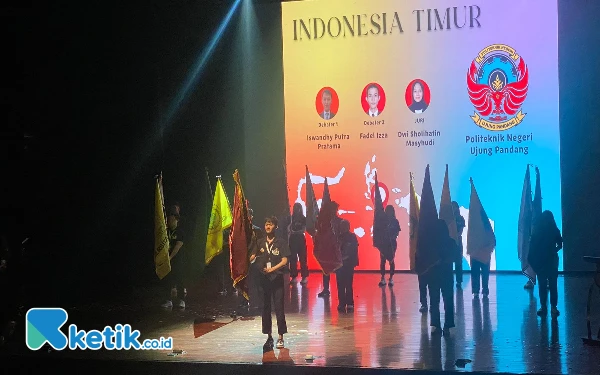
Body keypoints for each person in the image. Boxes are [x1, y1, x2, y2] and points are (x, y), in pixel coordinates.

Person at [250, 216, 290, 349]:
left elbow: (284, 260)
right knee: (265, 308)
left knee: (279, 307)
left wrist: (272, 269)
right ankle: (269, 336)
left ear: (276, 227)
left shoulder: (281, 242)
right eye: (266, 224)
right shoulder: (260, 242)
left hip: (277, 279)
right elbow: (253, 257)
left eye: (271, 224)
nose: (268, 226)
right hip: (264, 280)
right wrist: (251, 257)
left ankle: (281, 336)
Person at [528, 210, 562, 318]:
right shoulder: (554, 229)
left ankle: (543, 307)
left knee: (542, 285)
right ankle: (553, 307)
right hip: (552, 262)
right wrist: (553, 251)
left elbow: (532, 246)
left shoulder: (537, 230)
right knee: (553, 285)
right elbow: (560, 245)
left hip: (541, 262)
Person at [428, 219, 458, 336]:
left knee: (434, 301)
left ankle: (436, 324)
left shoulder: (430, 243)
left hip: (433, 276)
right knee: (448, 301)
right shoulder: (451, 242)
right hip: (447, 275)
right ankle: (448, 325)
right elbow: (456, 257)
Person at [161, 206, 186, 309]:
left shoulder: (180, 231)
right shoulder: (166, 231)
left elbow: (178, 246)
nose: (169, 221)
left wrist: (170, 257)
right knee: (167, 279)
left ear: (176, 219)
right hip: (167, 260)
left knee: (180, 279)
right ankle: (168, 300)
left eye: (171, 219)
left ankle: (181, 300)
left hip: (177, 260)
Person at [318, 201, 342, 298]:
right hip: (327, 247)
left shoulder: (339, 221)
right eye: (332, 209)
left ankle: (340, 288)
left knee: (339, 269)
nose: (334, 211)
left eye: (335, 209)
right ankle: (326, 289)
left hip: (336, 248)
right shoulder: (324, 222)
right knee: (326, 269)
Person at [336, 219, 359, 313]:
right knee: (340, 284)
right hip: (339, 264)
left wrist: (346, 257)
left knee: (348, 284)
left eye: (345, 226)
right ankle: (342, 303)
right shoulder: (337, 237)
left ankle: (349, 303)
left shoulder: (352, 237)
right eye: (342, 226)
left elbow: (354, 249)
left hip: (348, 263)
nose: (343, 228)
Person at [378, 205, 401, 287]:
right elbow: (379, 232)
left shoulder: (395, 221)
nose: (389, 212)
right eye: (387, 211)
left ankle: (391, 278)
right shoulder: (382, 221)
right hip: (384, 243)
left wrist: (392, 236)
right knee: (383, 260)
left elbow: (397, 232)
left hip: (392, 243)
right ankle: (382, 278)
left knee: (391, 260)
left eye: (390, 211)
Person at [289, 203, 309, 285]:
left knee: (303, 258)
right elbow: (289, 227)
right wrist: (290, 231)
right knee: (293, 258)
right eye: (295, 208)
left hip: (300, 238)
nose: (297, 209)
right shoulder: (291, 218)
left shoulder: (304, 218)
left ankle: (304, 277)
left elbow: (304, 229)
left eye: (298, 208)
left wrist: (296, 232)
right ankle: (293, 277)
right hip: (293, 239)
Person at [452, 201, 466, 289]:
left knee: (458, 262)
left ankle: (459, 281)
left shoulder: (460, 218)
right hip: (449, 242)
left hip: (457, 242)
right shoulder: (448, 218)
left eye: (455, 207)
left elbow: (460, 230)